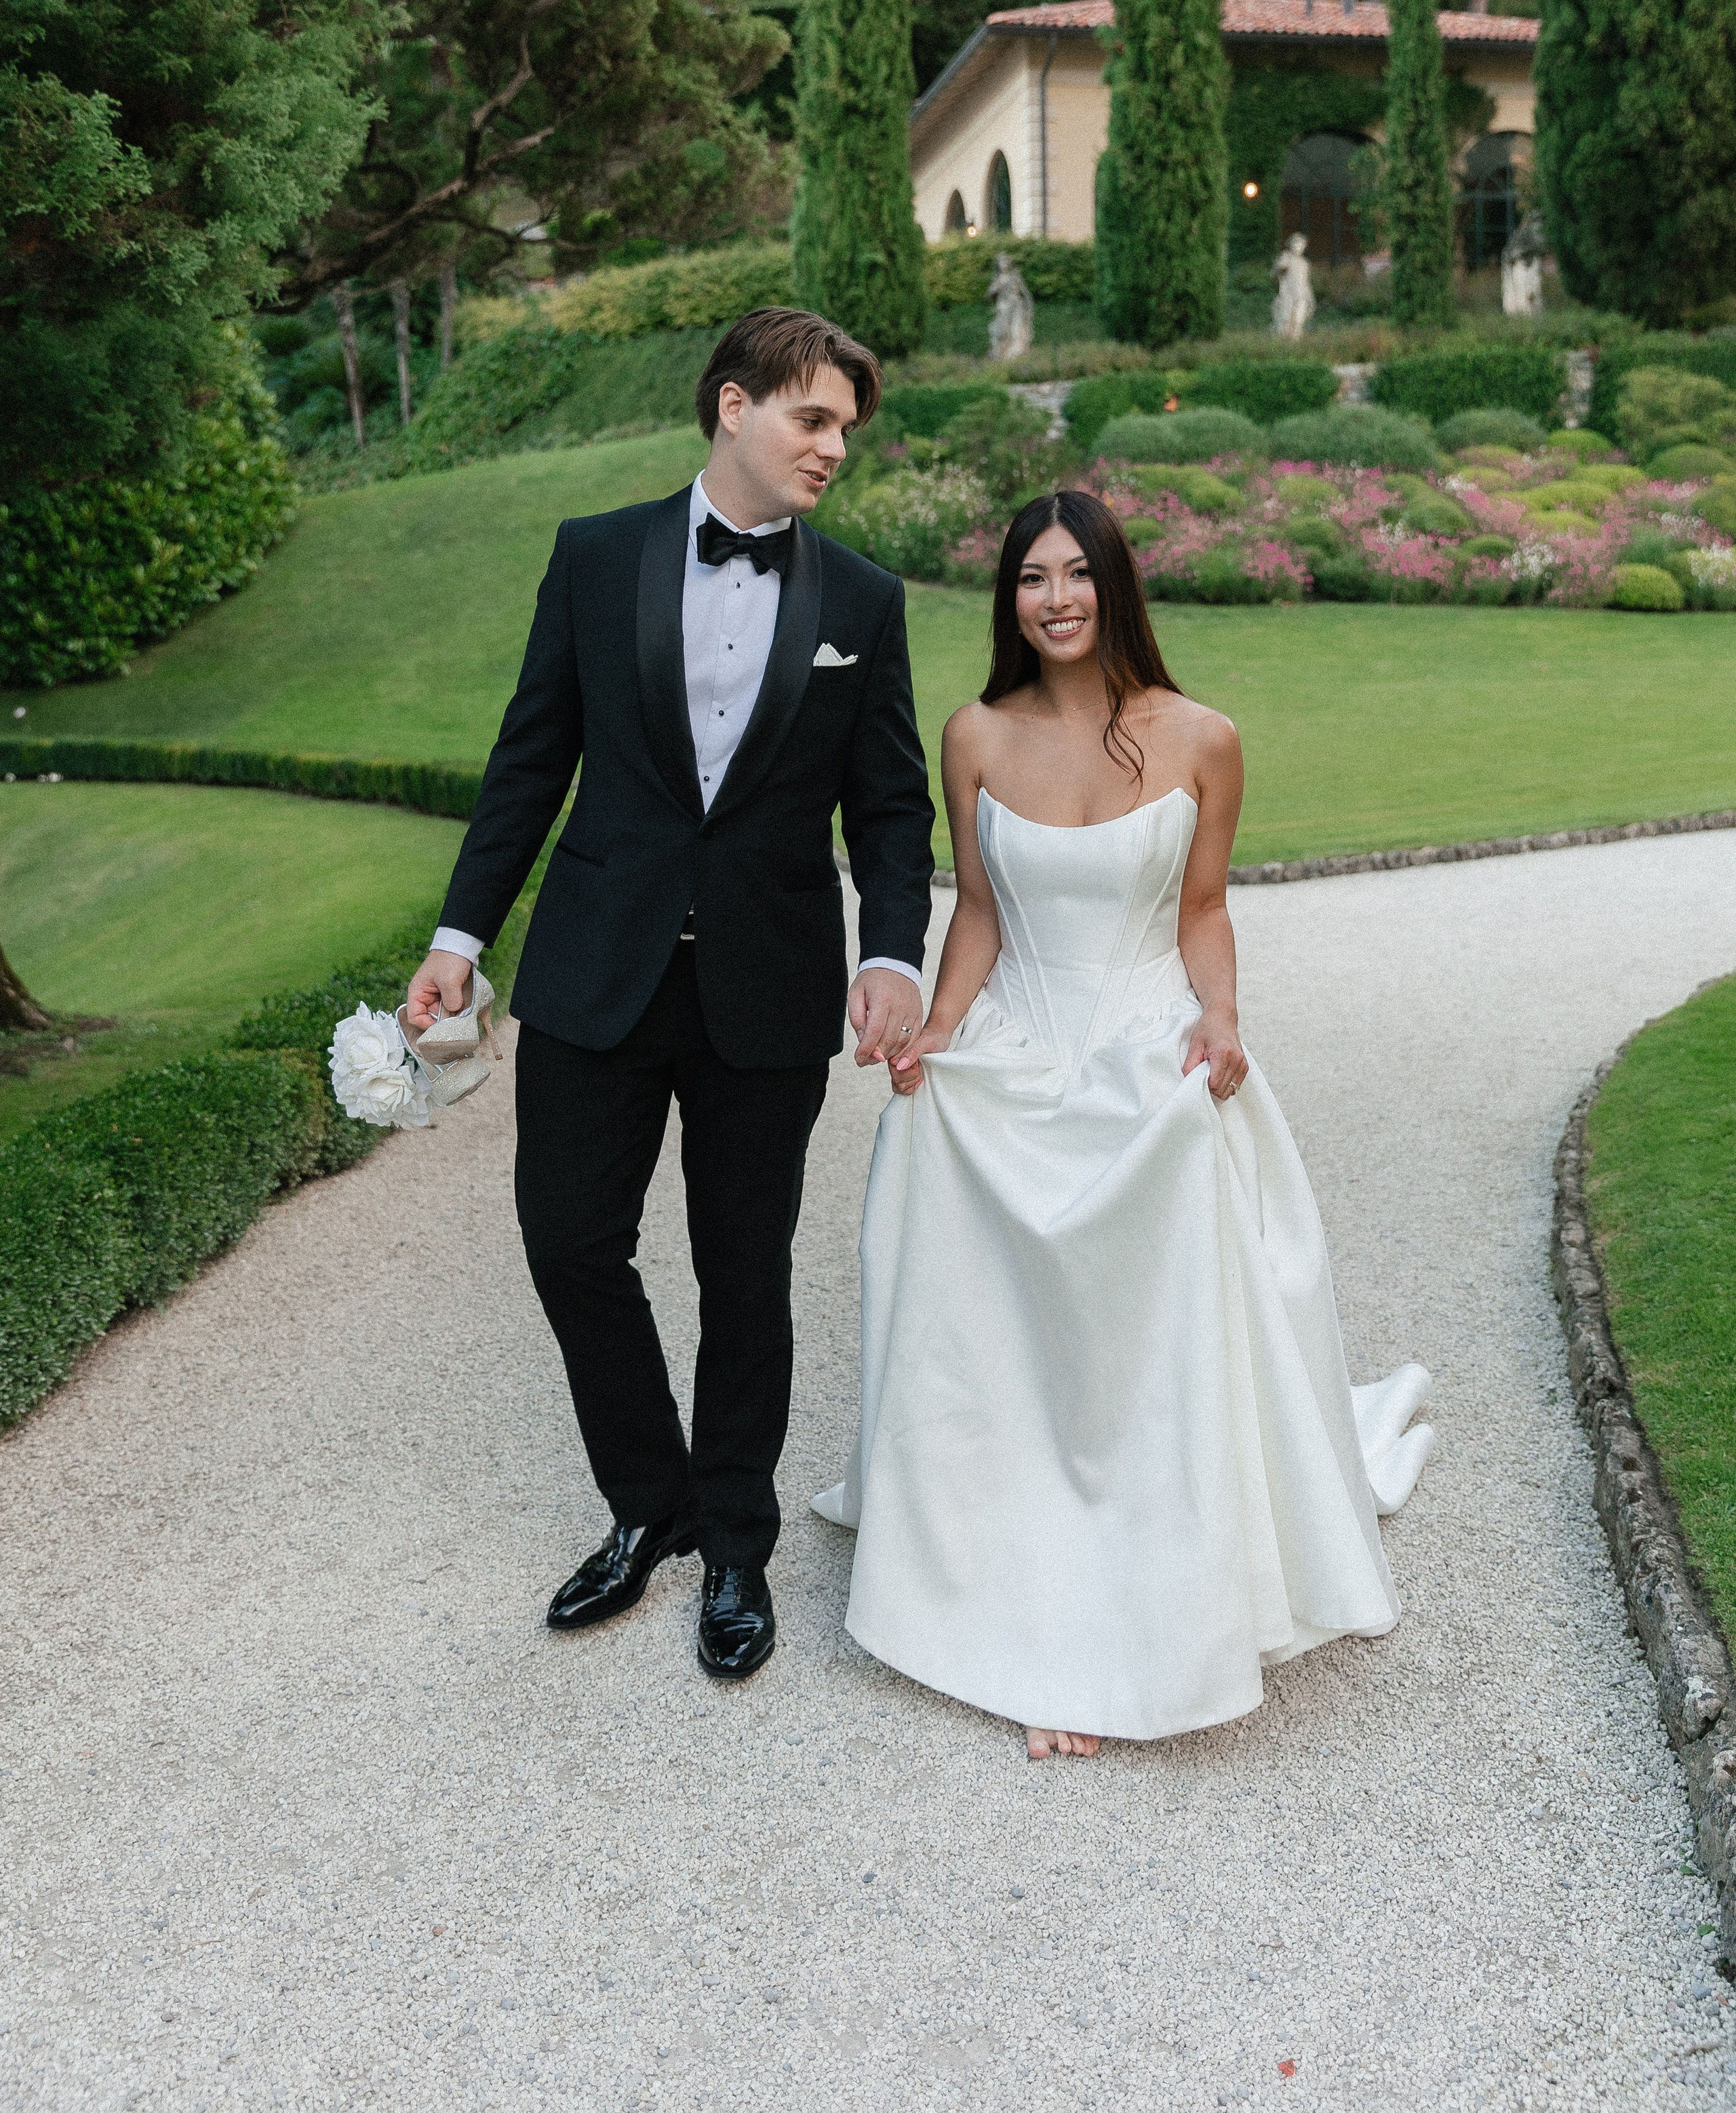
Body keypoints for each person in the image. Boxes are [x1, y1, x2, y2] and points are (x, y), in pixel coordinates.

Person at [814, 490, 1432, 1758]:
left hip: (1152, 1053)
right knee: (967, 1251)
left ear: (1114, 587)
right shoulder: (975, 734)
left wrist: (1221, 1018)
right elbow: (979, 914)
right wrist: (939, 1027)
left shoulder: (1203, 737)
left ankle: (1142, 1602)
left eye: (1076, 575)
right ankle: (1003, 1565)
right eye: (1032, 578)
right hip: (1021, 1051)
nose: (1055, 599)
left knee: (1146, 1321)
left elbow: (1202, 907)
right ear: (1010, 598)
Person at [406, 309, 933, 1680]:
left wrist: (889, 953)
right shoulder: (595, 558)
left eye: (843, 433)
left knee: (742, 1269)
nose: (831, 450)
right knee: (569, 1238)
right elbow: (530, 757)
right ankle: (649, 1504)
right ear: (730, 407)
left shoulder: (861, 603)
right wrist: (461, 933)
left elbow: (888, 808)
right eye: (811, 420)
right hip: (596, 969)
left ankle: (737, 1541)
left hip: (767, 988)